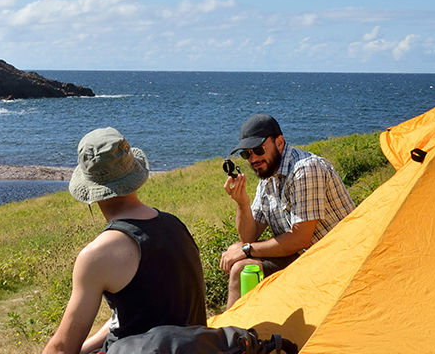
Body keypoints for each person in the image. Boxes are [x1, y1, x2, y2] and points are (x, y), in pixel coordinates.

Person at [43, 128, 207, 354]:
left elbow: (62, 348)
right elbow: (133, 316)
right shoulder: (175, 225)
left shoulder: (97, 255)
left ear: (91, 193)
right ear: (134, 177)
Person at [218, 114, 354, 306]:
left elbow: (300, 239)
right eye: (246, 154)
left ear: (280, 142)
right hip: (306, 255)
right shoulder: (267, 177)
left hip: (334, 258)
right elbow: (249, 237)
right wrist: (242, 203)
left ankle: (233, 325)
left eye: (258, 149)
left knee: (242, 267)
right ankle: (252, 318)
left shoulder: (306, 170)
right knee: (235, 249)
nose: (253, 159)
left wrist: (246, 250)